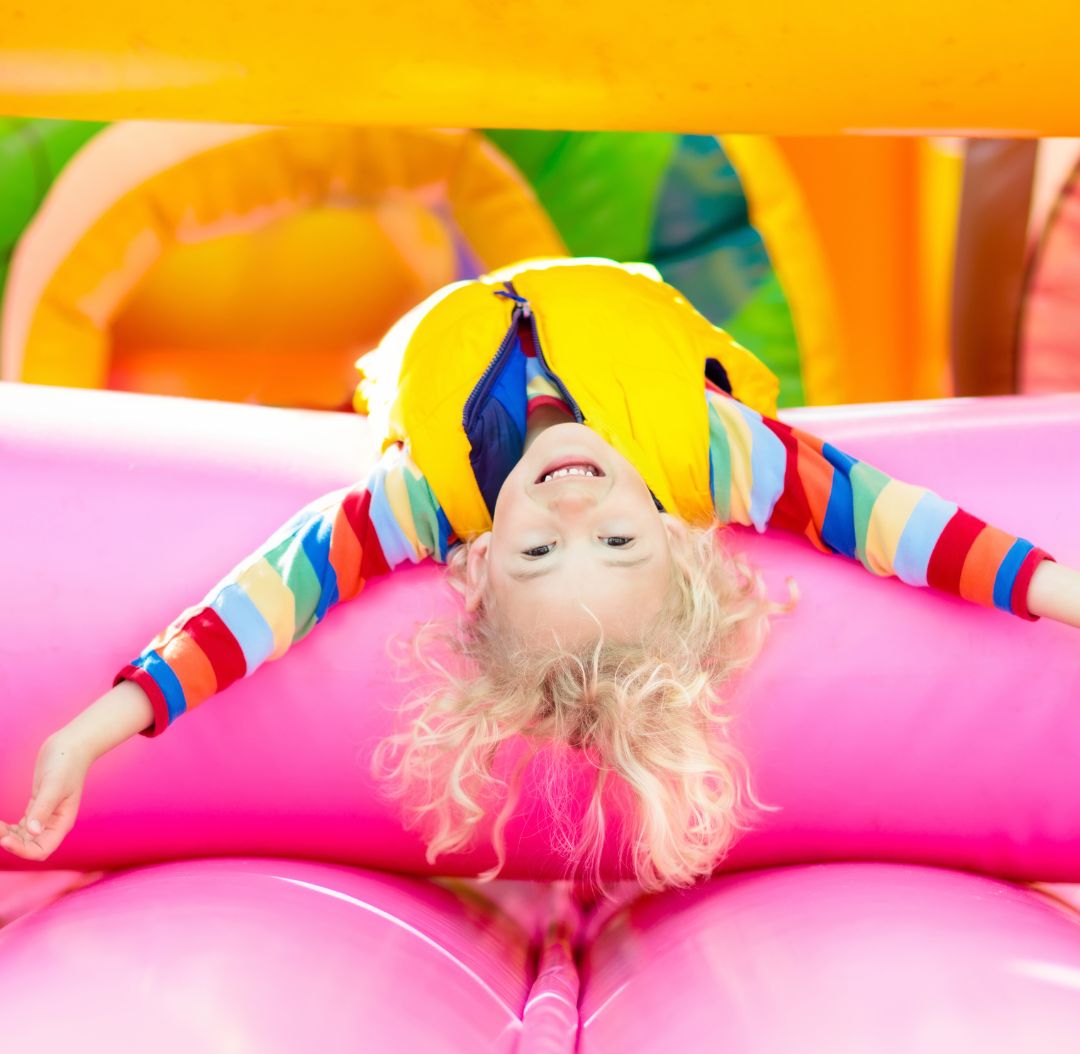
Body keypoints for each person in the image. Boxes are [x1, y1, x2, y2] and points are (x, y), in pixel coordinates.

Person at [3, 258, 1079, 889]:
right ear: (681, 537)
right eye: (617, 543)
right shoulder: (714, 457)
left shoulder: (433, 498)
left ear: (472, 566)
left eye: (537, 552)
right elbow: (912, 530)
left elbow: (269, 597)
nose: (575, 509)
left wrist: (95, 727)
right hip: (621, 286)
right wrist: (1065, 594)